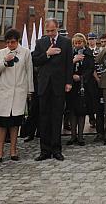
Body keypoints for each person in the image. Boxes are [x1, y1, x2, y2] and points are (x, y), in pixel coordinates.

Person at [31, 17, 72, 161]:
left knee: (56, 117)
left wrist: (69, 82)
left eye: (52, 30)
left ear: (58, 28)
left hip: (59, 85)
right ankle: (45, 150)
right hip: (44, 85)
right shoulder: (40, 42)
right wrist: (47, 54)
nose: (50, 33)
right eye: (47, 31)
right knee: (44, 118)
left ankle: (56, 149)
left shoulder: (66, 42)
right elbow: (35, 61)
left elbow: (68, 64)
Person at [0, 28, 33, 162]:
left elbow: (29, 71)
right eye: (8, 42)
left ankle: (13, 150)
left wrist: (29, 90)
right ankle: (0, 151)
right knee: (2, 124)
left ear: (18, 41)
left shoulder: (25, 53)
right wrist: (4, 61)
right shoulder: (1, 53)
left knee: (15, 123)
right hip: (3, 92)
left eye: (12, 42)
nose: (10, 45)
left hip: (18, 92)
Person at [67, 32, 95, 146]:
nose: (78, 45)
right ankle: (73, 135)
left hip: (83, 85)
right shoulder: (70, 53)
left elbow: (90, 68)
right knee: (72, 111)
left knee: (82, 111)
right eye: (76, 43)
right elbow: (65, 67)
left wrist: (81, 77)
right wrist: (73, 62)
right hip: (72, 85)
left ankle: (80, 136)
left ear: (84, 42)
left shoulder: (88, 53)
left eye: (80, 42)